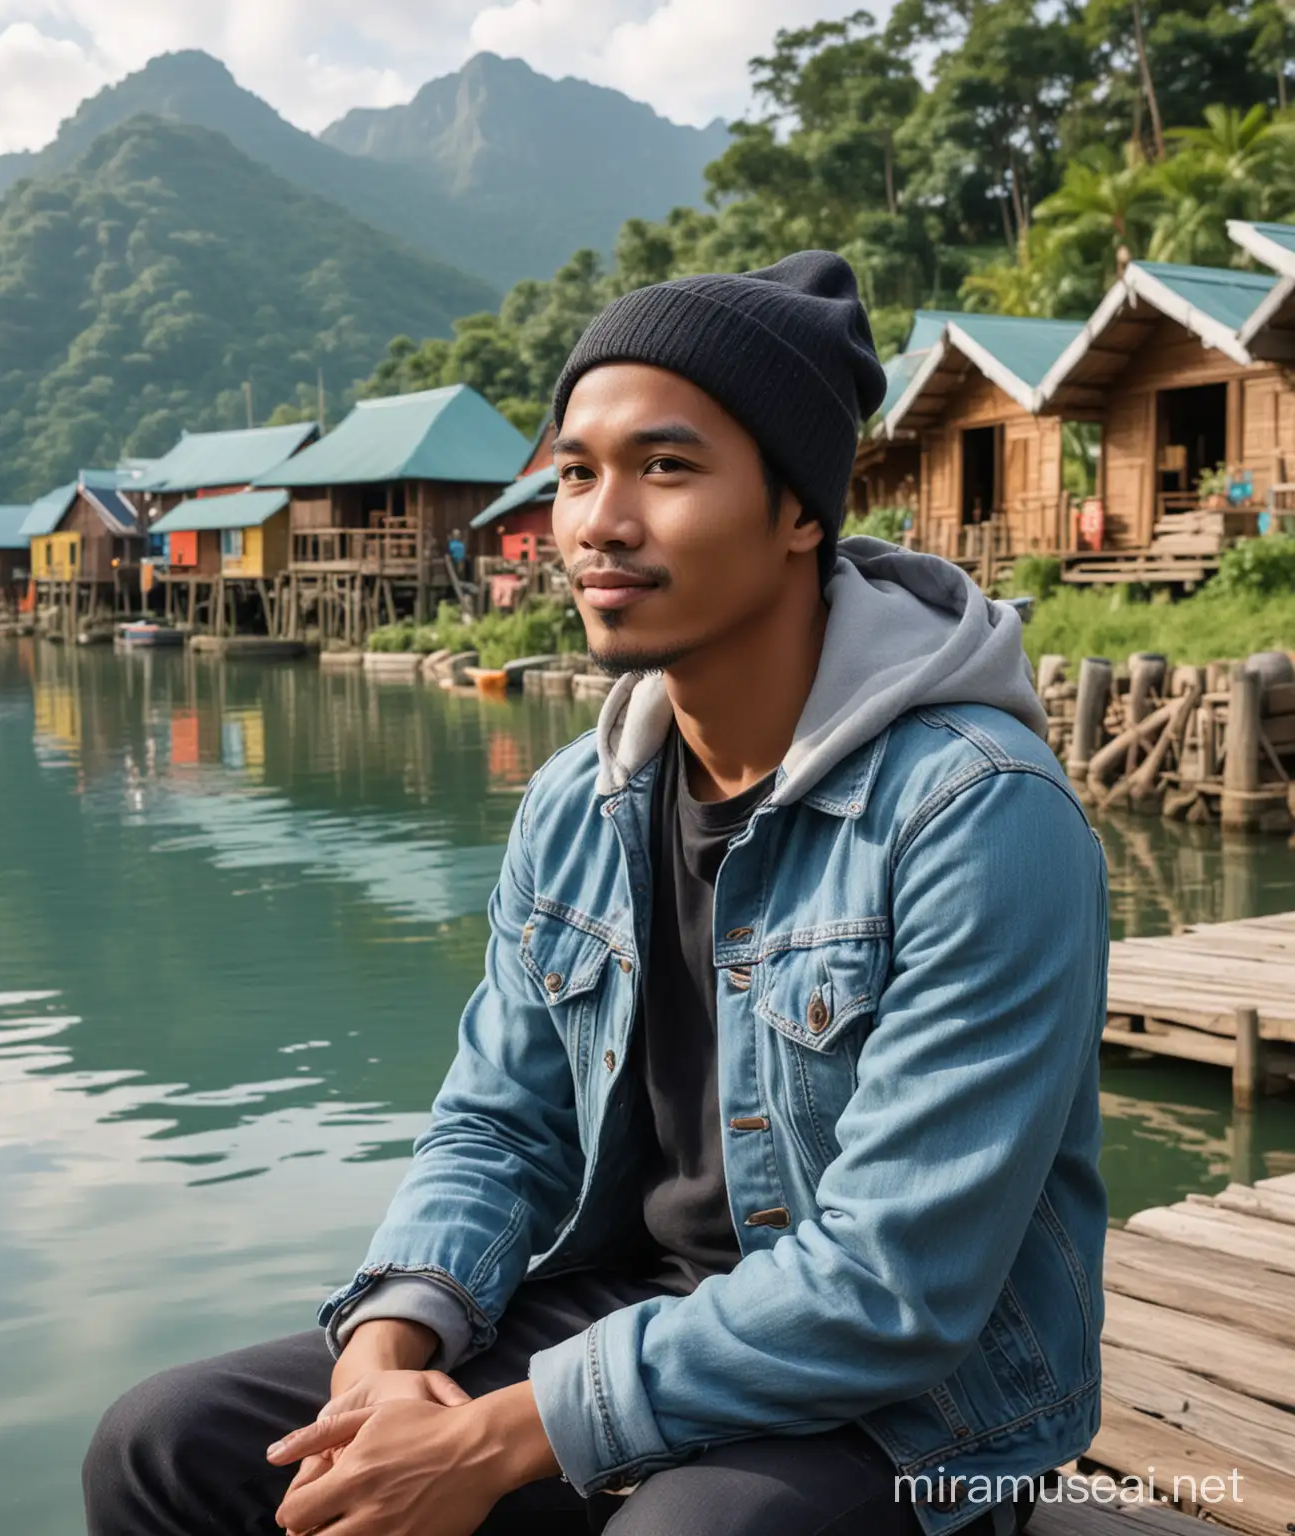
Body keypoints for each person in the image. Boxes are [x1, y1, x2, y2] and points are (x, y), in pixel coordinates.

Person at [83, 253, 1108, 1536]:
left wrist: (504, 1435)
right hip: (627, 1312)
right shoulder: (582, 797)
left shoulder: (978, 813)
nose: (595, 522)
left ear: (800, 512)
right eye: (576, 472)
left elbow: (896, 1286)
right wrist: (387, 1353)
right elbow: (500, 1124)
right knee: (168, 1448)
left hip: (919, 1409)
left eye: (665, 469)